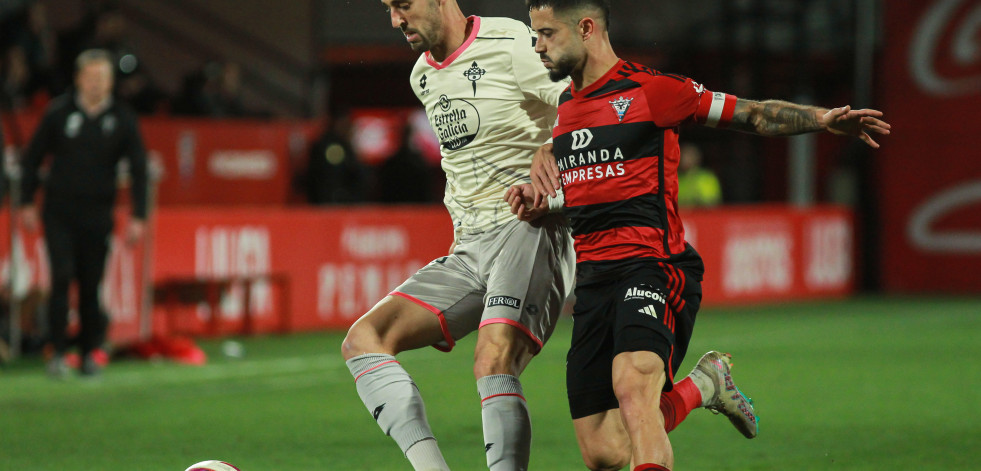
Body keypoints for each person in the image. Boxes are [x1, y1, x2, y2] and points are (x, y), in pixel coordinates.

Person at [507, 1, 891, 470]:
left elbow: (752, 114)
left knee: (633, 386)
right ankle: (706, 385)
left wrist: (822, 119)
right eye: (535, 35)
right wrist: (542, 201)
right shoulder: (565, 111)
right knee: (604, 450)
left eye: (546, 34)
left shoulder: (655, 90)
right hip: (592, 282)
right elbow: (591, 190)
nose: (538, 46)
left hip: (652, 266)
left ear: (586, 28)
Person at [341, 1, 577, 470]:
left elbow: (582, 103)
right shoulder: (422, 76)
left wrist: (552, 151)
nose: (395, 20)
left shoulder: (510, 42)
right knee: (363, 338)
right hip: (469, 248)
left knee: (494, 358)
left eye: (403, 5)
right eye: (389, 8)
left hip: (528, 228)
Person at [20, 48, 148, 379]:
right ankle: (58, 352)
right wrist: (25, 202)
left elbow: (139, 168)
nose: (97, 84)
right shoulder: (59, 114)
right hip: (60, 211)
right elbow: (31, 160)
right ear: (78, 79)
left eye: (103, 78)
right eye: (91, 77)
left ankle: (90, 352)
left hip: (98, 213)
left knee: (92, 285)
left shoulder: (121, 118)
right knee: (61, 278)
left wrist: (139, 215)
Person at [676, 143, 722, 207]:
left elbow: (712, 203)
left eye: (689, 156)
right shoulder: (675, 178)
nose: (685, 159)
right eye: (683, 155)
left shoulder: (707, 178)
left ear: (696, 158)